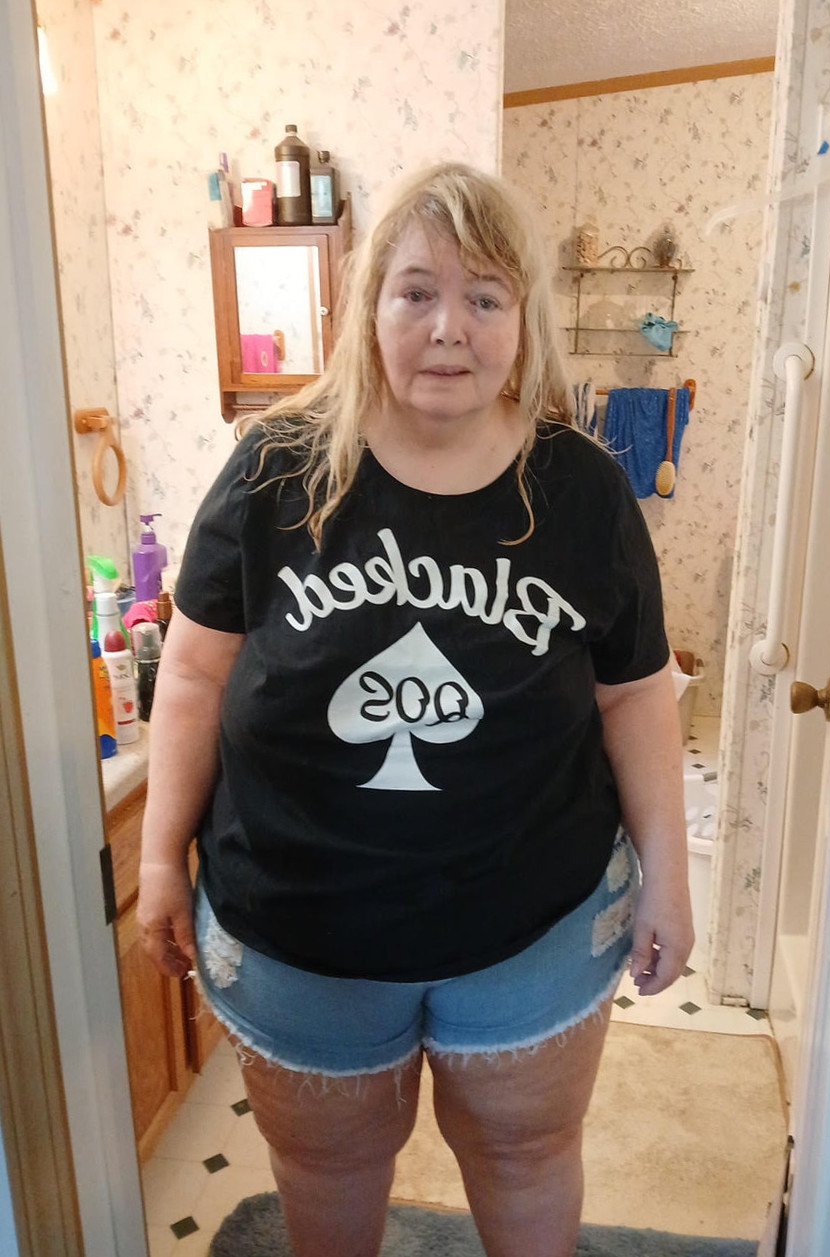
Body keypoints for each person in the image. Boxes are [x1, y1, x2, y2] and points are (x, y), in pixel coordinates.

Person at [137, 161, 693, 1257]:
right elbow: (193, 675)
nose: (450, 328)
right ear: (368, 309)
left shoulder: (580, 489)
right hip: (299, 928)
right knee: (329, 1167)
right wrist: (159, 856)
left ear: (523, 322)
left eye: (484, 296)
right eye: (417, 292)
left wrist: (669, 874)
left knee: (527, 1153)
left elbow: (634, 693)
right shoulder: (275, 470)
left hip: (532, 923)